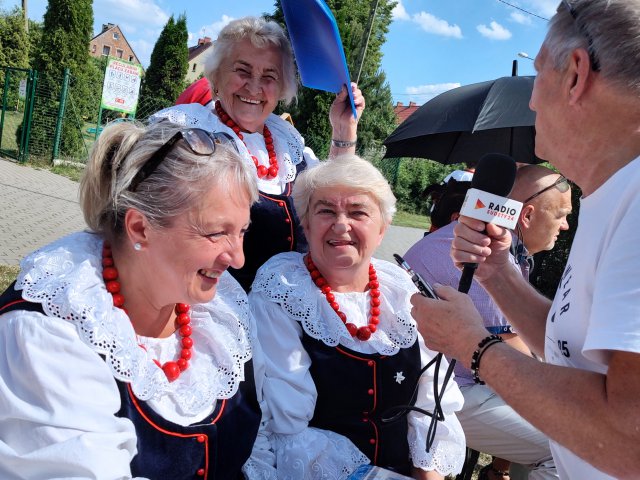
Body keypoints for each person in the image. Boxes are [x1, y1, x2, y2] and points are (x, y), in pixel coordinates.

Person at [410, 1, 640, 478]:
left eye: (537, 75)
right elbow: (575, 355)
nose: (532, 102)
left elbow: (629, 438)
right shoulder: (611, 194)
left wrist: (473, 346)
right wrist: (498, 275)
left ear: (575, 73)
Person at [0, 121, 276, 479]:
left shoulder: (219, 310)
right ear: (139, 228)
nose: (237, 258)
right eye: (216, 233)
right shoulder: (54, 327)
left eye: (241, 231)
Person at [248, 155, 466, 480]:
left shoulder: (400, 290)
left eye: (357, 212)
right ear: (306, 224)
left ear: (382, 228)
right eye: (325, 211)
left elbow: (432, 398)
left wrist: (425, 471)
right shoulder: (283, 290)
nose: (340, 224)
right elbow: (287, 428)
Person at [152, 16, 365, 291]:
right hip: (211, 308)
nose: (254, 87)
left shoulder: (288, 141)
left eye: (269, 76)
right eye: (242, 71)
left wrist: (343, 129)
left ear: (282, 87)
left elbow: (335, 199)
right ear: (216, 76)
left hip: (285, 311)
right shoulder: (187, 131)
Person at [406, 166, 573, 480]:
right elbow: (516, 355)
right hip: (441, 392)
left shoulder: (499, 246)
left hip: (456, 382)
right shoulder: (484, 249)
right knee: (570, 448)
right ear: (527, 215)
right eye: (561, 214)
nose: (565, 226)